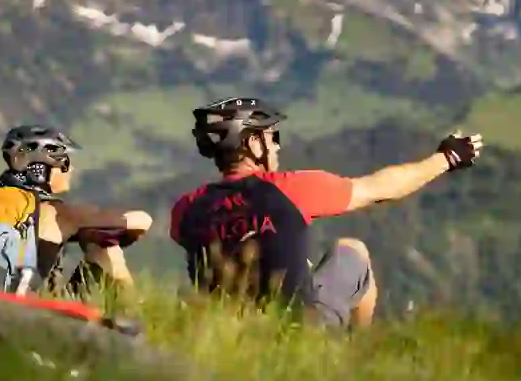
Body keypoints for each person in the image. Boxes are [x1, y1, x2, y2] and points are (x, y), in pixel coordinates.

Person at [169, 97, 483, 329]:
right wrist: (447, 158)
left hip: (228, 334)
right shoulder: (289, 189)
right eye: (272, 137)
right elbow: (379, 188)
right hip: (298, 333)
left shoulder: (186, 209)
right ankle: (354, 356)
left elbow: (233, 239)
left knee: (300, 262)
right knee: (352, 251)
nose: (277, 146)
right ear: (253, 143)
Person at [0, 125, 152, 296]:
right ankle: (139, 316)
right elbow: (141, 221)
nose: (71, 170)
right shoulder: (57, 214)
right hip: (15, 314)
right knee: (106, 249)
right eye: (66, 162)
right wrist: (88, 233)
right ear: (43, 168)